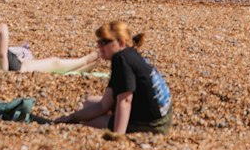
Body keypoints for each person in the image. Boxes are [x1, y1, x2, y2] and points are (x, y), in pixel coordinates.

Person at [44, 20, 172, 134]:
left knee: (89, 121)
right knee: (88, 102)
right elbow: (104, 104)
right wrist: (71, 117)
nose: (99, 46)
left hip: (153, 124)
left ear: (121, 42)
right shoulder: (130, 54)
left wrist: (117, 136)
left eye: (104, 42)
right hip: (162, 114)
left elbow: (125, 100)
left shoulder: (121, 59)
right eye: (99, 42)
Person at [0, 0, 97, 75]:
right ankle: (85, 60)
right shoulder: (1, 28)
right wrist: (5, 75)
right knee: (54, 63)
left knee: (45, 64)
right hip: (13, 68)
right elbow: (1, 56)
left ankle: (83, 66)